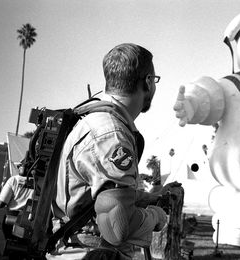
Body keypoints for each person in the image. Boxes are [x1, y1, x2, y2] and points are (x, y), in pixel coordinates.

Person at [52, 43, 181, 259]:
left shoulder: (97, 123)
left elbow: (100, 198)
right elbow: (117, 226)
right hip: (92, 251)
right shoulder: (111, 135)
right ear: (148, 82)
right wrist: (156, 216)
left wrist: (149, 197)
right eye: (154, 80)